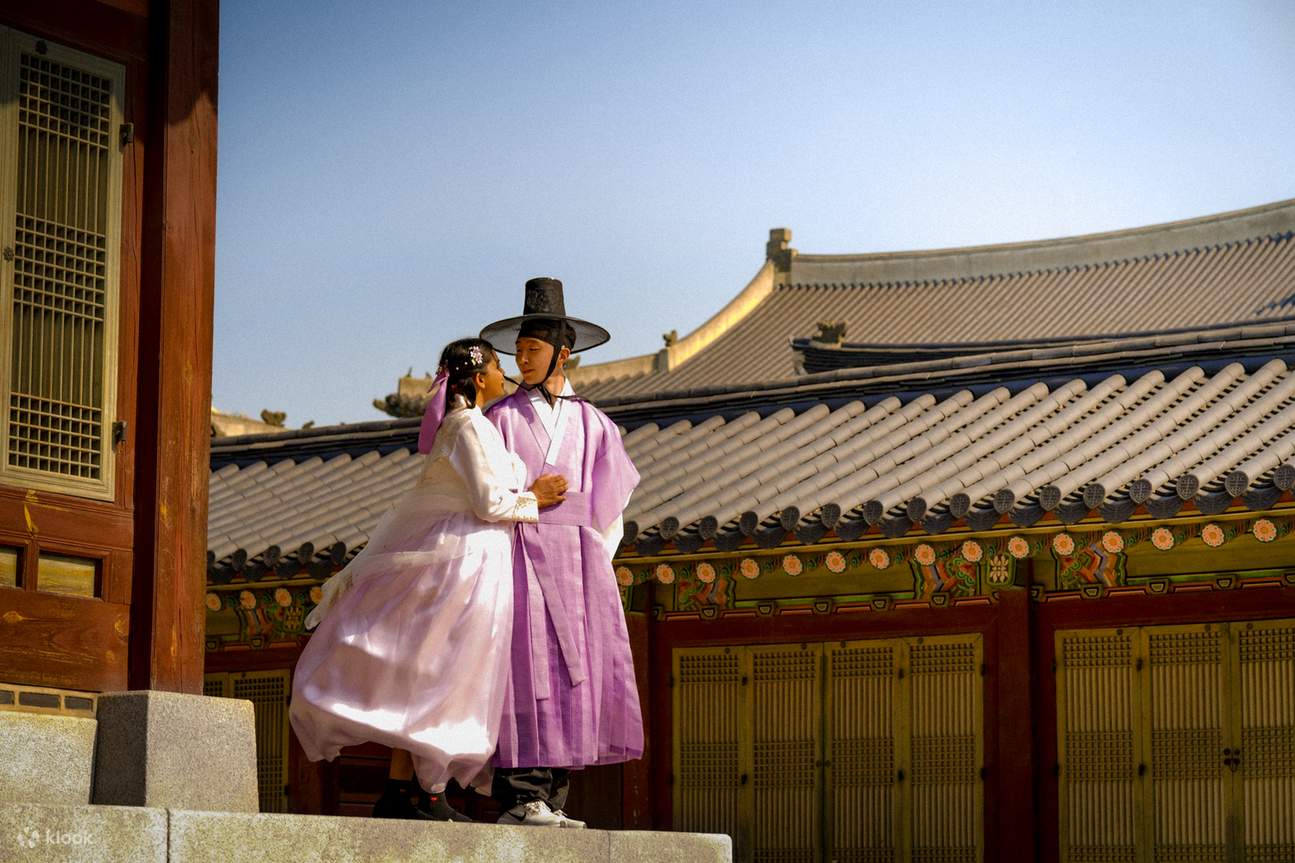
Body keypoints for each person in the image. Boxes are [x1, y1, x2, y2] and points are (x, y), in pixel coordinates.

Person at [289, 338, 567, 821]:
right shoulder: (468, 426)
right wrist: (535, 500)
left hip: (473, 557)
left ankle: (402, 791)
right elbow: (489, 503)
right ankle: (431, 792)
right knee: (449, 673)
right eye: (498, 366)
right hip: (467, 563)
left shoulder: (469, 425)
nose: (505, 374)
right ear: (479, 378)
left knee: (428, 673)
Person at [479, 277, 643, 828]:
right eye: (518, 350)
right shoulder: (499, 419)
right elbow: (484, 493)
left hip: (578, 560)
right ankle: (519, 795)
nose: (522, 359)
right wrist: (528, 502)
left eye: (533, 349)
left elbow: (609, 509)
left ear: (562, 354)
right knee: (525, 672)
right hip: (520, 553)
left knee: (576, 675)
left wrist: (595, 561)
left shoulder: (595, 424)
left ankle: (552, 796)